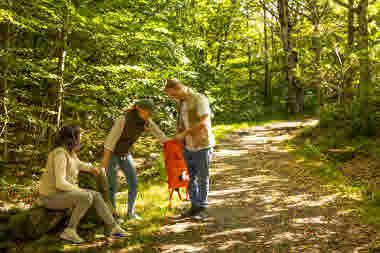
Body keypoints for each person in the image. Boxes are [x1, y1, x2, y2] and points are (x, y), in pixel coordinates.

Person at [39, 124, 127, 244]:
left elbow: (79, 164)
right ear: (71, 138)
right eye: (79, 137)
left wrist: (92, 168)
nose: (81, 139)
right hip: (50, 197)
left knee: (95, 195)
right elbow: (60, 183)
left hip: (61, 193)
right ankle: (69, 231)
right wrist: (79, 190)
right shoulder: (60, 154)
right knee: (86, 196)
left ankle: (113, 228)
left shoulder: (70, 153)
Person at [100, 99, 166, 221]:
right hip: (112, 153)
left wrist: (170, 145)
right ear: (140, 109)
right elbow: (111, 140)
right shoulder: (123, 119)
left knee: (134, 183)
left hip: (125, 153)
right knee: (112, 186)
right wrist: (105, 158)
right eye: (148, 112)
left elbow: (159, 133)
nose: (150, 114)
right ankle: (113, 215)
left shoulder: (146, 120)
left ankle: (131, 213)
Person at [164, 78, 215, 219]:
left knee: (202, 177)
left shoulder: (199, 99)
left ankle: (202, 208)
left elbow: (204, 121)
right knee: (190, 178)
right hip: (188, 146)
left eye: (172, 94)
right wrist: (179, 137)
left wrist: (184, 134)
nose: (172, 97)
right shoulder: (181, 103)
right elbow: (183, 123)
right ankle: (194, 206)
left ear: (179, 88)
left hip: (202, 144)